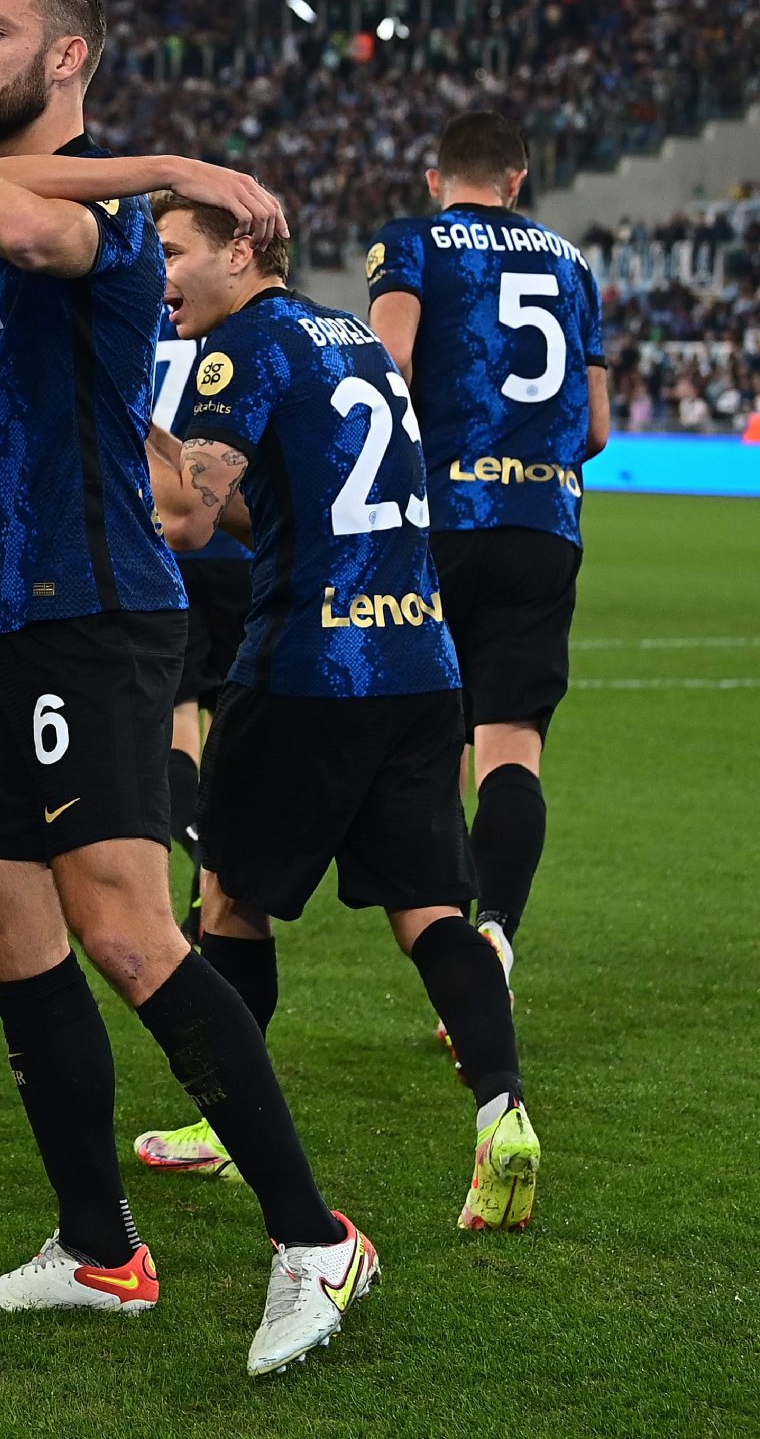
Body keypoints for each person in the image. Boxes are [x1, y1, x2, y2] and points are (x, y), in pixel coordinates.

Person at [0, 0, 375, 1377]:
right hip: (9, 627)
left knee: (127, 930)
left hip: (101, 613)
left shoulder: (98, 217)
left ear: (68, 61)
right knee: (8, 925)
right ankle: (100, 1249)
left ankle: (317, 1238)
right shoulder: (8, 242)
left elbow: (24, 227)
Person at [138, 193, 540, 1231]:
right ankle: (501, 1112)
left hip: (308, 664)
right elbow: (279, 495)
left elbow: (184, 515)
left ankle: (225, 1123)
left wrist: (119, 415)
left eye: (172, 250)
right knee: (429, 910)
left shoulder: (241, 347)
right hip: (418, 663)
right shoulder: (350, 337)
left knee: (227, 898)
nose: (158, 273)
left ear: (240, 250)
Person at [365, 112, 609, 1002]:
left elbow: (389, 360)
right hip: (545, 525)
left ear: (437, 178)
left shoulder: (413, 242)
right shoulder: (575, 264)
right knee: (510, 748)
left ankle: (439, 948)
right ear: (519, 178)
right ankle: (497, 930)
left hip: (440, 519)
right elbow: (597, 426)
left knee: (427, 740)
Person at [150, 324, 253, 939]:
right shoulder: (233, 339)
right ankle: (211, 890)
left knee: (177, 719)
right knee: (230, 729)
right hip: (236, 552)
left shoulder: (137, 322)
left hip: (164, 550)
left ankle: (198, 849)